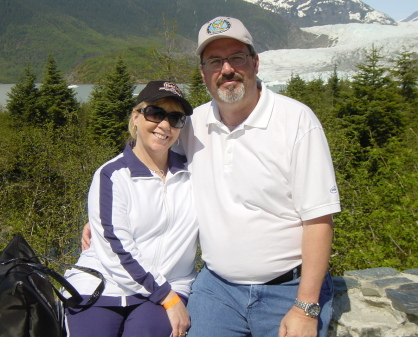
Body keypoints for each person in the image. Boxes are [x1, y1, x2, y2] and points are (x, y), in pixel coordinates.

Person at [84, 17, 341, 337]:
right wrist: (104, 213)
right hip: (217, 289)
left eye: (236, 57)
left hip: (286, 290)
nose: (227, 69)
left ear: (255, 62)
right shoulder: (193, 124)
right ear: (204, 72)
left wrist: (305, 307)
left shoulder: (296, 121)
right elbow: (152, 164)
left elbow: (319, 219)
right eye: (215, 61)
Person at [67, 81, 198, 337]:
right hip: (103, 283)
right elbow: (116, 249)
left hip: (169, 284)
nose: (164, 125)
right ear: (136, 117)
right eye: (155, 113)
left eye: (175, 118)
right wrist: (167, 297)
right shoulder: (112, 175)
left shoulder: (193, 173)